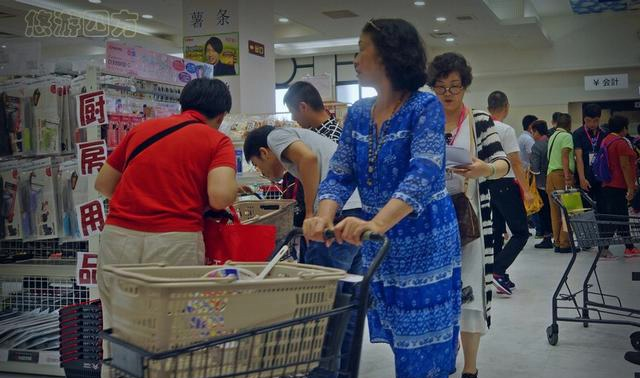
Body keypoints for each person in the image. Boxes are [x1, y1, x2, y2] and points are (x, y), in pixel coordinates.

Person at [304, 19, 462, 378]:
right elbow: (340, 173)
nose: (356, 59)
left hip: (425, 241)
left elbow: (423, 173)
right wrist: (324, 214)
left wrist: (375, 223)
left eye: (362, 49)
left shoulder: (425, 106)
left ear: (389, 54)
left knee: (421, 342)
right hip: (381, 244)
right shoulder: (358, 113)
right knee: (395, 330)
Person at [95, 78, 238, 378]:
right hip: (174, 241)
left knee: (119, 328)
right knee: (171, 333)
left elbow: (104, 184)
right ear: (222, 115)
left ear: (183, 104)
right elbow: (220, 196)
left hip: (118, 238)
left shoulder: (141, 130)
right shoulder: (216, 141)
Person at [243, 124, 362, 378]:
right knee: (347, 302)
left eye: (257, 164)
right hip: (357, 212)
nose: (261, 172)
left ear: (265, 152)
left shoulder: (277, 136)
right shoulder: (306, 140)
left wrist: (312, 212)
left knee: (322, 301)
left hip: (335, 215)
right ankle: (341, 372)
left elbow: (307, 159)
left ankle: (322, 374)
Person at [428, 52, 510, 378]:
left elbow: (502, 164)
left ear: (465, 87)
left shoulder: (478, 120)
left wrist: (483, 168)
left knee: (470, 291)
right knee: (436, 292)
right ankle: (444, 357)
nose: (448, 93)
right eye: (441, 87)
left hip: (470, 218)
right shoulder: (424, 120)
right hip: (431, 218)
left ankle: (470, 369)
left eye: (455, 86)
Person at [486, 90, 530, 295]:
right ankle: (498, 270)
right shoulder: (506, 130)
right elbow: (515, 162)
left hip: (486, 184)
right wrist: (527, 190)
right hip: (505, 182)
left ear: (488, 108)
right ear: (507, 107)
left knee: (495, 231)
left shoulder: (480, 129)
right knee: (521, 232)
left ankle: (496, 275)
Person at [597, 115, 640, 259]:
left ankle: (629, 247)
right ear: (624, 128)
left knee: (620, 218)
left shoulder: (606, 140)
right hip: (618, 185)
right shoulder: (620, 143)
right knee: (615, 218)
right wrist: (631, 187)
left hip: (608, 184)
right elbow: (625, 166)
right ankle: (604, 248)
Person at [546, 113, 576, 253]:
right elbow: (565, 156)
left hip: (550, 176)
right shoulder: (567, 136)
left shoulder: (552, 137)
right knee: (567, 210)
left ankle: (557, 242)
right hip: (561, 175)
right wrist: (567, 176)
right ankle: (565, 243)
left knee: (554, 212)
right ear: (569, 124)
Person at [573, 103, 607, 208]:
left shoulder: (603, 134)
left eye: (595, 120)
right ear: (584, 119)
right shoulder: (578, 133)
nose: (592, 124)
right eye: (588, 121)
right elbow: (579, 158)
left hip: (601, 177)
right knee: (587, 208)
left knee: (602, 207)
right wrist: (582, 178)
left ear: (599, 119)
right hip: (586, 176)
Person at [530, 120, 554, 249]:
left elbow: (535, 168)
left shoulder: (537, 146)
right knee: (554, 211)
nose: (532, 135)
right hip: (554, 181)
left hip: (541, 183)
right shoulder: (551, 141)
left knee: (544, 212)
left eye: (532, 132)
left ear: (537, 132)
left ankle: (547, 238)